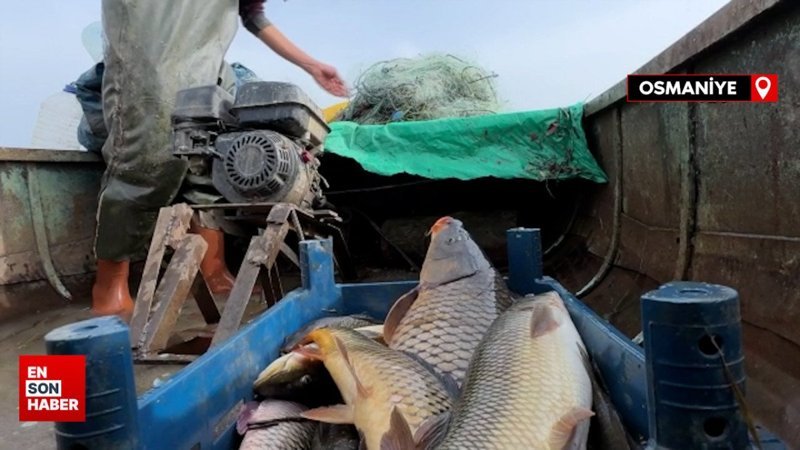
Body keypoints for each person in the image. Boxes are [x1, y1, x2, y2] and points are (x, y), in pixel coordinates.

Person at [91, 0, 348, 321]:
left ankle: (213, 268)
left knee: (211, 162)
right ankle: (109, 287)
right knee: (147, 162)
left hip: (207, 67)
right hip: (149, 59)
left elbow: (252, 14)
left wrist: (311, 65)